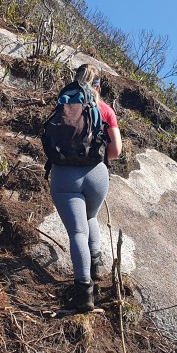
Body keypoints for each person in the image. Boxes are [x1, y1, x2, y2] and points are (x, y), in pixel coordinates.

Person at [49, 63, 122, 311]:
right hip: (97, 175)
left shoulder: (65, 106)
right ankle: (96, 262)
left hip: (65, 176)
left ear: (76, 80)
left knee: (77, 233)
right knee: (91, 217)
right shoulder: (105, 110)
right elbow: (116, 151)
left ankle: (84, 293)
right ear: (98, 85)